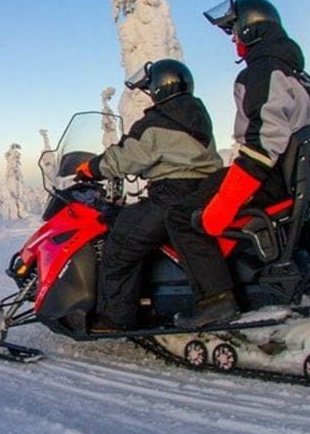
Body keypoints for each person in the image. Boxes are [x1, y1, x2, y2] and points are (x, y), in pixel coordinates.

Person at [164, 0, 310, 329]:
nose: (234, 39)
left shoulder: (262, 72)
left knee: (182, 216)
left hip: (269, 177)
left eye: (235, 31)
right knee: (209, 185)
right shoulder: (296, 73)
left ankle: (216, 300)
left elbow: (262, 146)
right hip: (287, 176)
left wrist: (223, 205)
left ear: (252, 30)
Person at [75, 59, 223, 333]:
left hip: (172, 194)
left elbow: (127, 157)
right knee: (132, 224)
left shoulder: (159, 120)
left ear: (160, 88)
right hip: (204, 191)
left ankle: (113, 319)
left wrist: (91, 168)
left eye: (151, 88)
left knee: (121, 244)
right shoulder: (195, 114)